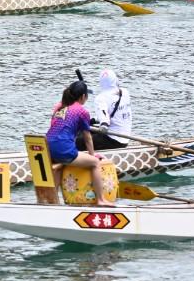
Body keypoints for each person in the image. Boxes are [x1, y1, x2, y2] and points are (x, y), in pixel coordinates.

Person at [45, 79, 113, 207]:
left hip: (47, 145)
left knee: (60, 166)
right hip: (62, 148)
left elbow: (55, 127)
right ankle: (100, 199)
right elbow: (87, 138)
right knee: (95, 164)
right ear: (83, 96)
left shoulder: (60, 107)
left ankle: (52, 201)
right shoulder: (82, 111)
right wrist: (93, 156)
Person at [90, 69, 131, 149]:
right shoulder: (125, 92)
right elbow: (112, 115)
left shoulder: (100, 98)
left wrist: (102, 125)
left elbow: (105, 122)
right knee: (90, 128)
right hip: (126, 138)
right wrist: (92, 120)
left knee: (80, 139)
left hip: (113, 140)